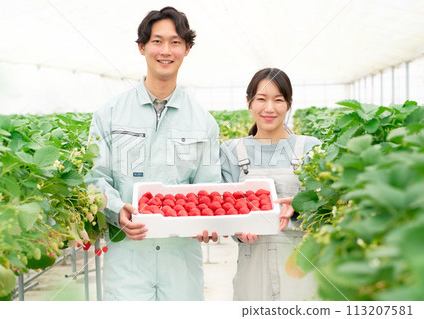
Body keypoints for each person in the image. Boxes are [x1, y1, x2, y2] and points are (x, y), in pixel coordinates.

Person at [86, 6, 220, 301]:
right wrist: (116, 209)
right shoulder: (108, 114)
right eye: (157, 41)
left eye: (175, 42)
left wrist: (210, 223)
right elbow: (94, 177)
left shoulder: (203, 122)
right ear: (142, 47)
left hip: (181, 258)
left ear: (187, 49)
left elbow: (209, 187)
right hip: (127, 258)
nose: (166, 50)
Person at [220, 68, 321, 301]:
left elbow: (326, 206)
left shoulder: (311, 148)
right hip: (251, 260)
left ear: (288, 104)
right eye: (261, 99)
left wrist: (300, 207)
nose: (269, 108)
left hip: (301, 262)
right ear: (248, 102)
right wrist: (238, 230)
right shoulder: (232, 151)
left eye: (278, 100)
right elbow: (224, 209)